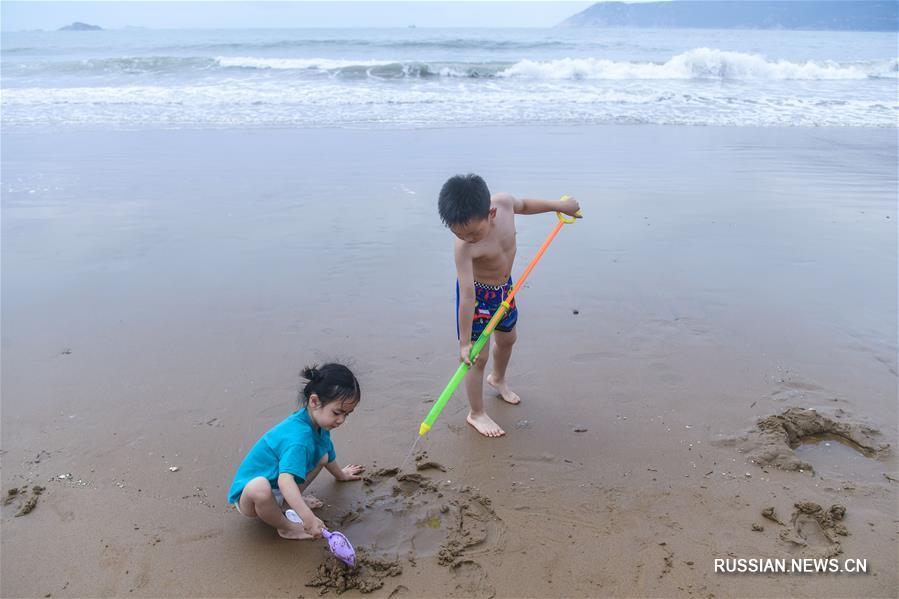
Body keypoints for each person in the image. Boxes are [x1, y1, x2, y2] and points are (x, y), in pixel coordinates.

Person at [438, 173, 581, 437]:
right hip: (478, 298)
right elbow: (467, 295)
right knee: (475, 359)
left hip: (505, 290)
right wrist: (464, 343)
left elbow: (525, 205)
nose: (468, 239)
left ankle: (498, 378)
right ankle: (476, 413)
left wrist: (560, 206)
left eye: (472, 233)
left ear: (491, 213)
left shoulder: (503, 203)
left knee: (508, 339)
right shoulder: (464, 248)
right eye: (460, 234)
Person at [227, 363, 365, 539]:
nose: (341, 420)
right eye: (337, 412)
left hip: (278, 487)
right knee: (259, 487)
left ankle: (286, 502)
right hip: (251, 499)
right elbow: (285, 480)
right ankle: (286, 527)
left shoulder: (318, 423)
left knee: (321, 456)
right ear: (314, 401)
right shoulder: (299, 438)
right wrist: (308, 518)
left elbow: (327, 454)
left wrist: (341, 475)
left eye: (347, 414)